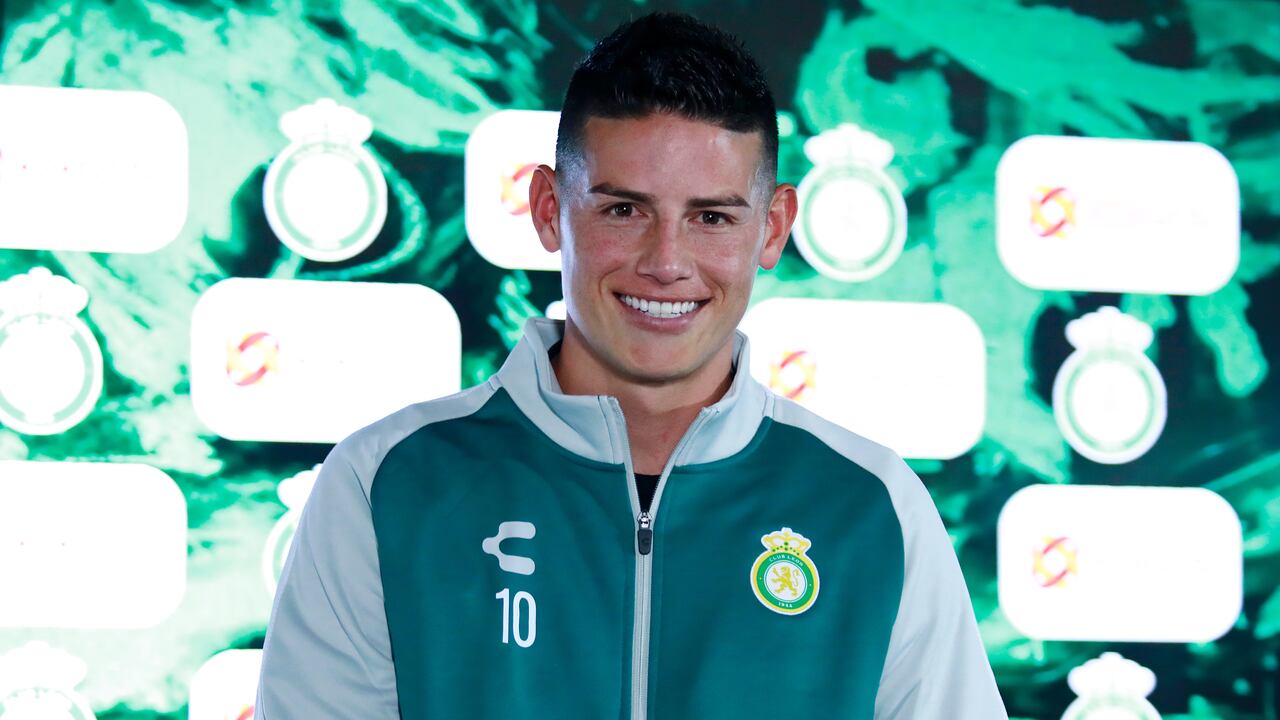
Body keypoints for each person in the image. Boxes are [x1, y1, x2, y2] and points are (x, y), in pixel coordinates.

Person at [255, 12, 1007, 719]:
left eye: (711, 217)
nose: (667, 263)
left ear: (773, 228)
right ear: (550, 209)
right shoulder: (385, 484)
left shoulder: (873, 510)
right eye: (624, 210)